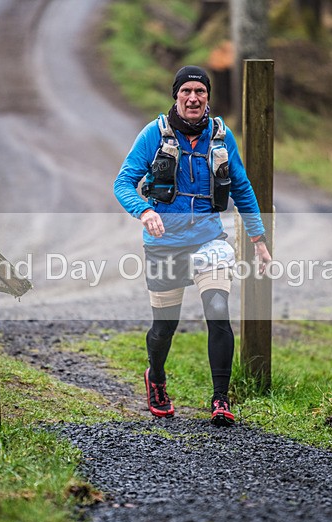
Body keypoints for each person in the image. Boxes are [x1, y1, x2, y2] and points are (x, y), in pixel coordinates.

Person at [113, 65, 271, 427]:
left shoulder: (221, 136)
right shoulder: (155, 135)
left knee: (218, 312)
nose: (193, 98)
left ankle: (220, 398)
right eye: (186, 92)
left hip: (208, 242)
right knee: (164, 327)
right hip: (164, 243)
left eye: (200, 91)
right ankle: (156, 377)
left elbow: (242, 189)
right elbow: (123, 183)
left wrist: (259, 239)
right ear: (176, 96)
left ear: (208, 98)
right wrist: (144, 211)